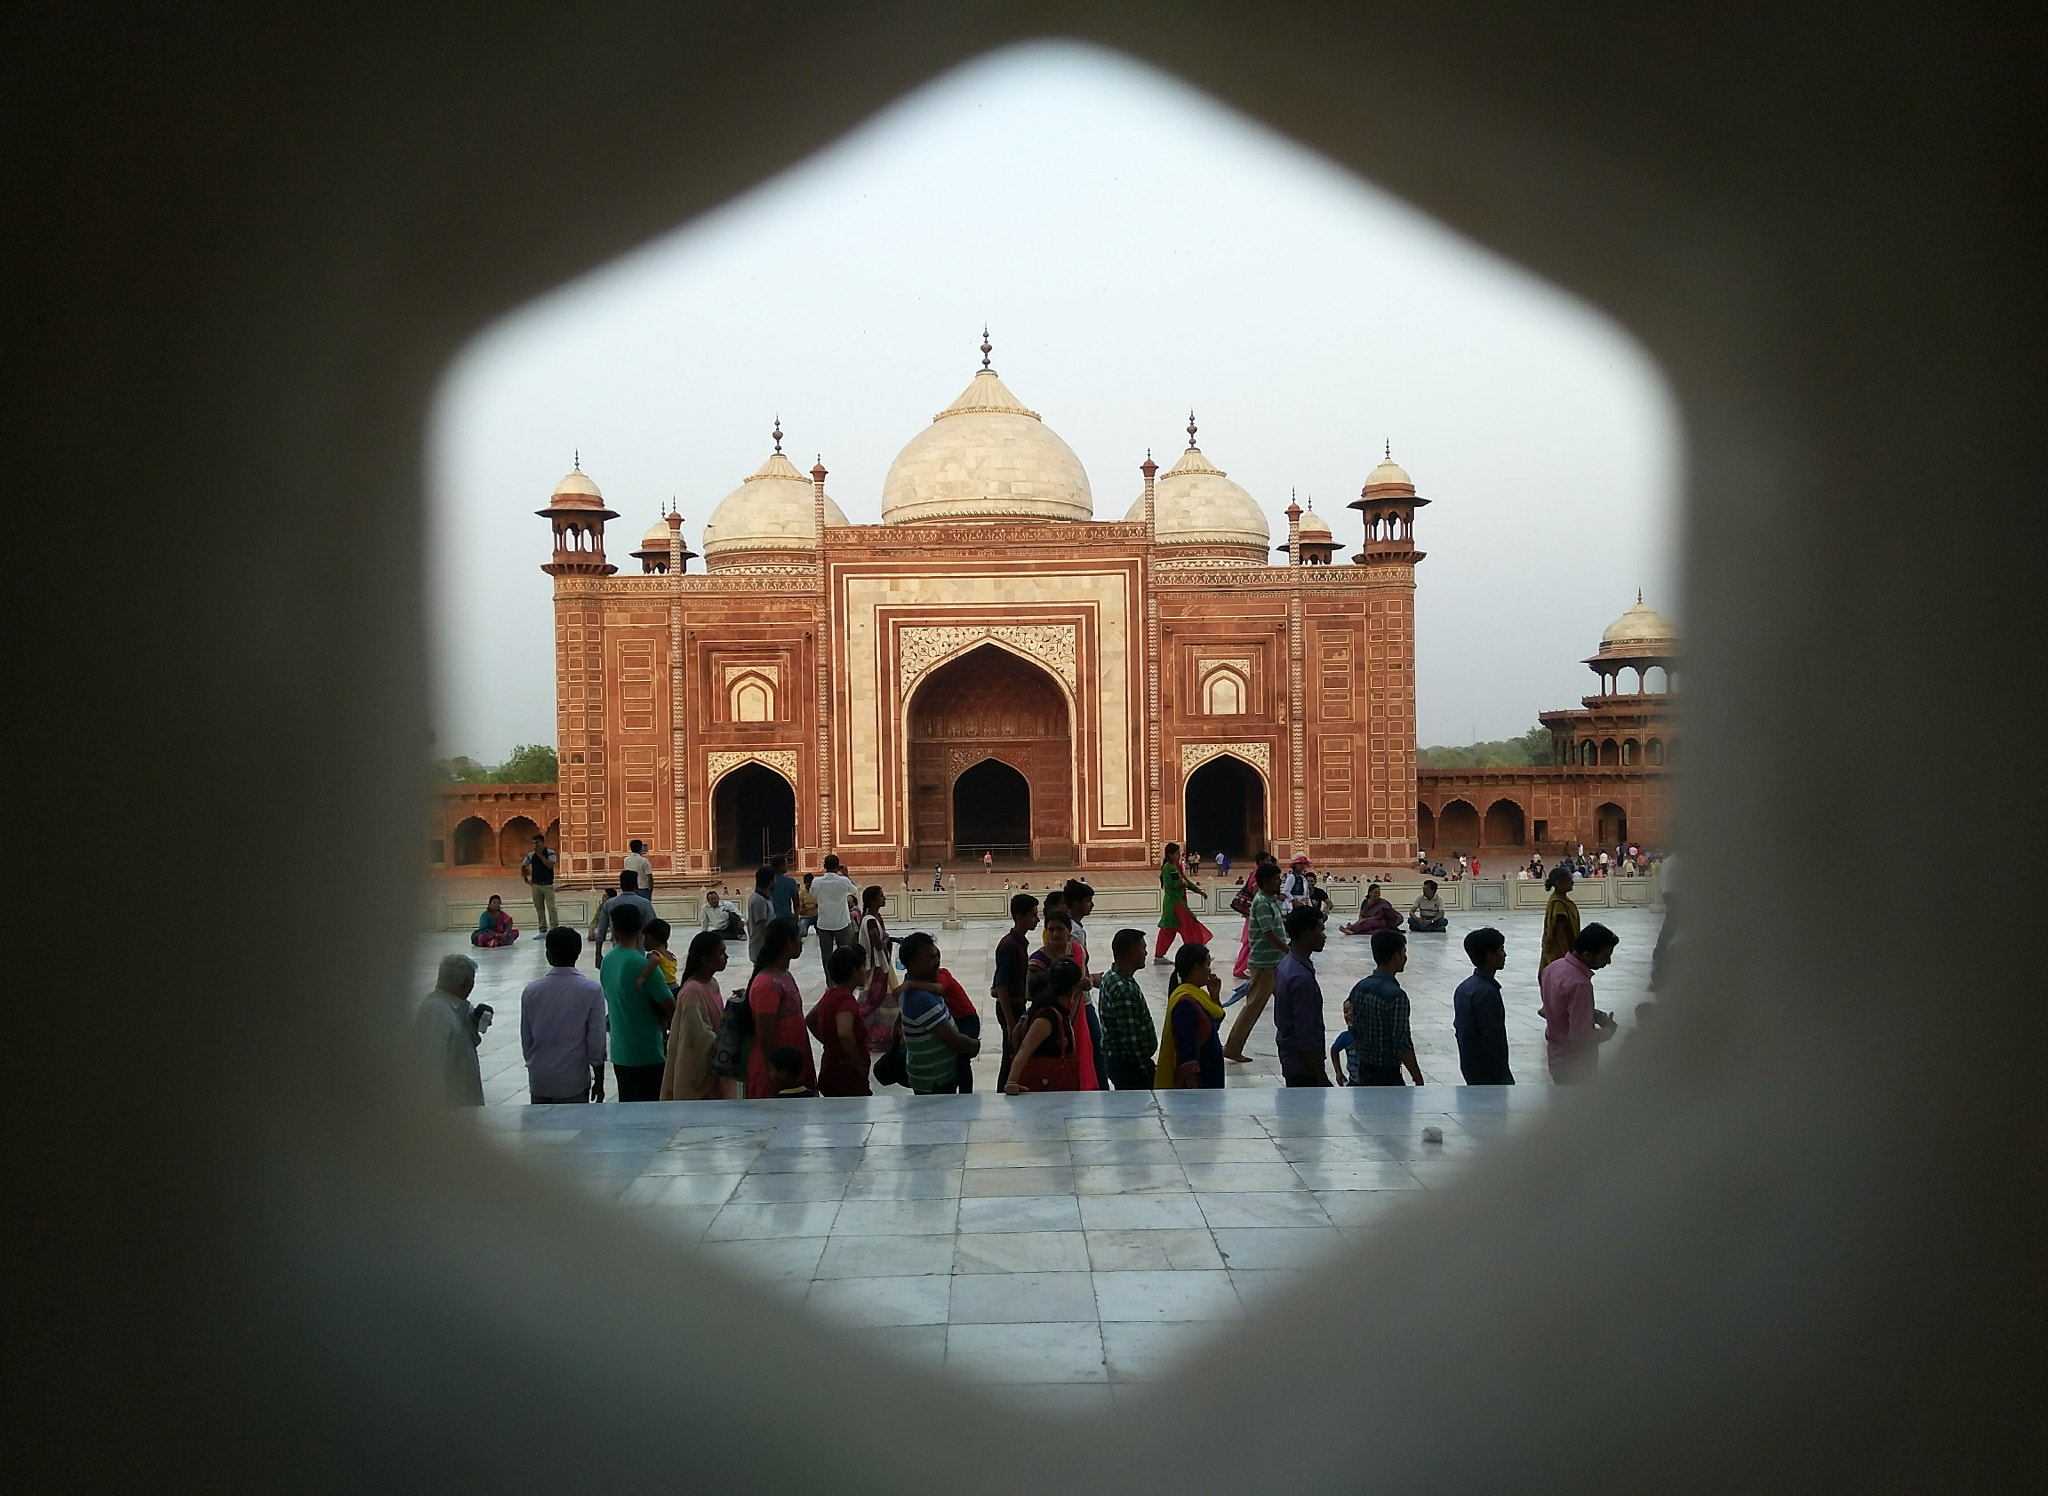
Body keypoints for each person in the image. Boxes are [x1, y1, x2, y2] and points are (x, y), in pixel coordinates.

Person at [520, 927, 606, 1104]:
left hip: (540, 1078)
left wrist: (533, 1063)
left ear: (548, 954)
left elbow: (526, 1037)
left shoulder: (531, 991)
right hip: (573, 1078)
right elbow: (596, 1041)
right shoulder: (591, 990)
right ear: (578, 953)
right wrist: (599, 1079)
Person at [599, 902, 673, 1102]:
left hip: (620, 1052)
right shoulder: (643, 966)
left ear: (614, 928)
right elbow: (672, 1009)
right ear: (641, 927)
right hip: (648, 1053)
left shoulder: (608, 960)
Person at [895, 931, 980, 1095]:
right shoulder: (921, 999)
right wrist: (975, 1045)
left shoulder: (918, 985)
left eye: (936, 956)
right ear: (913, 964)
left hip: (933, 1076)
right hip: (935, 1081)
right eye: (930, 958)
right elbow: (954, 1041)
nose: (937, 962)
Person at [1539, 922, 1620, 1083]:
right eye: (1605, 956)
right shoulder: (1580, 984)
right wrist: (1609, 1030)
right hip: (1576, 1066)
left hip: (1557, 1059)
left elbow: (1554, 1009)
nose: (1608, 961)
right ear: (1587, 955)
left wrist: (1592, 1014)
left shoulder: (1553, 968)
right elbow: (1580, 1038)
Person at [743, 916, 814, 1099]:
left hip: (790, 1068)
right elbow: (767, 1037)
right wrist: (781, 1073)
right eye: (799, 937)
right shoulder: (766, 984)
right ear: (788, 942)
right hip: (779, 1074)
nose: (802, 942)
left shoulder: (784, 975)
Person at [1222, 861, 1286, 1063]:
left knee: (1287, 1003)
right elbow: (1269, 933)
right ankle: (1232, 1047)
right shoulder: (1262, 902)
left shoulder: (1269, 900)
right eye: (1276, 879)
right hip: (1265, 963)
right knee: (1253, 1007)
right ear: (1265, 882)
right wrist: (1289, 951)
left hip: (1275, 962)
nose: (1279, 882)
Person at [661, 930, 734, 1100]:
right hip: (701, 1076)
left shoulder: (712, 983)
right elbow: (697, 1037)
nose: (726, 957)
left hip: (716, 1069)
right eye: (721, 953)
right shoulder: (693, 991)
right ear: (705, 958)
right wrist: (727, 1043)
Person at [1029, 909, 1098, 1090]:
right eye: (1050, 930)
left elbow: (1086, 974)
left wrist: (1088, 982)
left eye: (1060, 929)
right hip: (1054, 1019)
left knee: (1085, 1056)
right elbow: (1030, 993)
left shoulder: (1079, 951)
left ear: (1069, 931)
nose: (1055, 934)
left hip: (1079, 1014)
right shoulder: (1038, 959)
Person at [1347, 930, 1425, 1086]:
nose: (1405, 957)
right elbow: (1402, 1042)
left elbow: (1353, 1027)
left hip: (1364, 1068)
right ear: (1396, 955)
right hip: (1387, 1073)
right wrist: (1417, 1076)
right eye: (1403, 952)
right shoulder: (1395, 996)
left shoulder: (1360, 987)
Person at [414, 953, 487, 1106]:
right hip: (453, 1103)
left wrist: (473, 1020)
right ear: (466, 983)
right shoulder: (437, 1013)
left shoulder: (452, 1005)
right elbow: (434, 1062)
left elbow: (463, 1040)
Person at [1004, 957, 1085, 1094]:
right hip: (1042, 1094)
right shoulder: (1047, 1017)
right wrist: (1011, 1082)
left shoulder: (1059, 1010)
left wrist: (1078, 994)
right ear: (1072, 987)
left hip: (1053, 1095)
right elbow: (1024, 1050)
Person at [1272, 904, 1332, 1086]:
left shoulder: (1286, 964)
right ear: (1307, 935)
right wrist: (1320, 1076)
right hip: (1303, 1066)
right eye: (1320, 930)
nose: (1324, 936)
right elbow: (1304, 1032)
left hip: (1290, 1058)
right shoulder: (1300, 977)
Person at [1156, 942, 1226, 1089]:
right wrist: (1194, 1092)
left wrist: (1215, 997)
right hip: (1200, 1086)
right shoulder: (1185, 1004)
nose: (1209, 970)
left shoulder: (1198, 995)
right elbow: (1186, 1052)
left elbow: (1211, 1029)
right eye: (1207, 964)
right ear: (1196, 967)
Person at [1096, 927, 1158, 1090]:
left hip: (1119, 1061)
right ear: (1132, 952)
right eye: (1143, 949)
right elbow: (1132, 1039)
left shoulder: (1112, 977)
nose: (1145, 953)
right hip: (1129, 1065)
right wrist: (1146, 1068)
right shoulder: (1123, 989)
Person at [807, 943, 873, 1097]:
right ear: (854, 972)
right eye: (863, 967)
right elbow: (844, 1033)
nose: (866, 971)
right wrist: (857, 1063)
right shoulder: (845, 1000)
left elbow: (810, 1020)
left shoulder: (830, 993)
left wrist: (830, 1043)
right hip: (846, 1076)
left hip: (831, 1066)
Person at [990, 892, 1040, 1090]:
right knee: (1011, 1053)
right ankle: (1005, 1088)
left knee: (1013, 1052)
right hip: (1010, 1007)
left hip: (1016, 1004)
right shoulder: (1010, 946)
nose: (1037, 919)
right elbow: (1000, 984)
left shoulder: (1017, 942)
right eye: (1033, 915)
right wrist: (1011, 1021)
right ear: (1020, 917)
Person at [1453, 926, 1514, 1084]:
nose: (1505, 954)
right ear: (1491, 956)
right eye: (1501, 949)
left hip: (1471, 1067)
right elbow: (1493, 1039)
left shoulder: (1464, 988)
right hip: (1488, 1072)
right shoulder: (1487, 993)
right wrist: (1503, 1075)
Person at [854, 885, 898, 1054]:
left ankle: (880, 1035)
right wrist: (887, 941)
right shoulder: (870, 920)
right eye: (881, 896)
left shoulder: (875, 917)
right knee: (872, 1000)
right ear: (872, 900)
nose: (884, 898)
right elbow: (877, 943)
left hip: (882, 963)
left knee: (881, 1001)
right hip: (877, 965)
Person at [1153, 841, 1212, 964]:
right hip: (1174, 904)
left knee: (1171, 930)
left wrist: (1198, 891)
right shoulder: (1168, 868)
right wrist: (1180, 883)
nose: (1179, 856)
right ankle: (1196, 952)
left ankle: (1161, 955)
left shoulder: (1175, 867)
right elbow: (1169, 885)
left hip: (1177, 902)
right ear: (1170, 854)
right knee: (1187, 927)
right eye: (1177, 853)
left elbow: (1186, 882)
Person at [808, 855, 859, 971]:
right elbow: (854, 890)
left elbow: (811, 892)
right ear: (838, 867)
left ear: (825, 866)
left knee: (827, 956)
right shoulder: (843, 881)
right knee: (846, 954)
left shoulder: (817, 882)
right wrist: (846, 875)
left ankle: (830, 983)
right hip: (842, 922)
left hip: (824, 923)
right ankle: (845, 980)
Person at [589, 877, 654, 968]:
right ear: (636, 886)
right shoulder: (644, 903)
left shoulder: (609, 904)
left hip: (617, 952)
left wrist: (598, 954)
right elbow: (654, 928)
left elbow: (601, 930)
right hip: (639, 951)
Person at [1539, 866, 1582, 972]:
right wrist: (1567, 955)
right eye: (1569, 880)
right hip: (1559, 952)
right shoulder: (1558, 904)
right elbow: (1559, 931)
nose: (1572, 883)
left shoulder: (1561, 900)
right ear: (1559, 883)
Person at [520, 832, 558, 934]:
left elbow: (550, 865)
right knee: (539, 909)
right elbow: (523, 866)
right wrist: (525, 879)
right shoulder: (531, 855)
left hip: (548, 885)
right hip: (536, 885)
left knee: (551, 909)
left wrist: (540, 855)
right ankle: (542, 929)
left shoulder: (550, 853)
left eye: (537, 843)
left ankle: (554, 929)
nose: (535, 845)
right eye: (533, 843)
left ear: (542, 843)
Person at [745, 866, 776, 965]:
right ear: (771, 882)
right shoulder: (759, 900)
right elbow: (762, 925)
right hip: (761, 948)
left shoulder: (764, 898)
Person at [1329, 998, 1357, 1085]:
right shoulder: (1345, 1036)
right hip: (1354, 1083)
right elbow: (1334, 1050)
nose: (1349, 1014)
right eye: (1346, 1011)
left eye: (1353, 1011)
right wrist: (1338, 1072)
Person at [769, 855, 799, 922]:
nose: (787, 867)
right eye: (786, 864)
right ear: (781, 866)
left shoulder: (766, 881)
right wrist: (796, 915)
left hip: (770, 917)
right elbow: (796, 901)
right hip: (786, 916)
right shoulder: (790, 881)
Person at [796, 873, 818, 937]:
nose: (809, 887)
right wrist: (811, 907)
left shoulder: (817, 892)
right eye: (807, 885)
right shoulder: (802, 894)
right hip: (806, 917)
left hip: (817, 916)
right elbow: (800, 912)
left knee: (822, 933)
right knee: (802, 933)